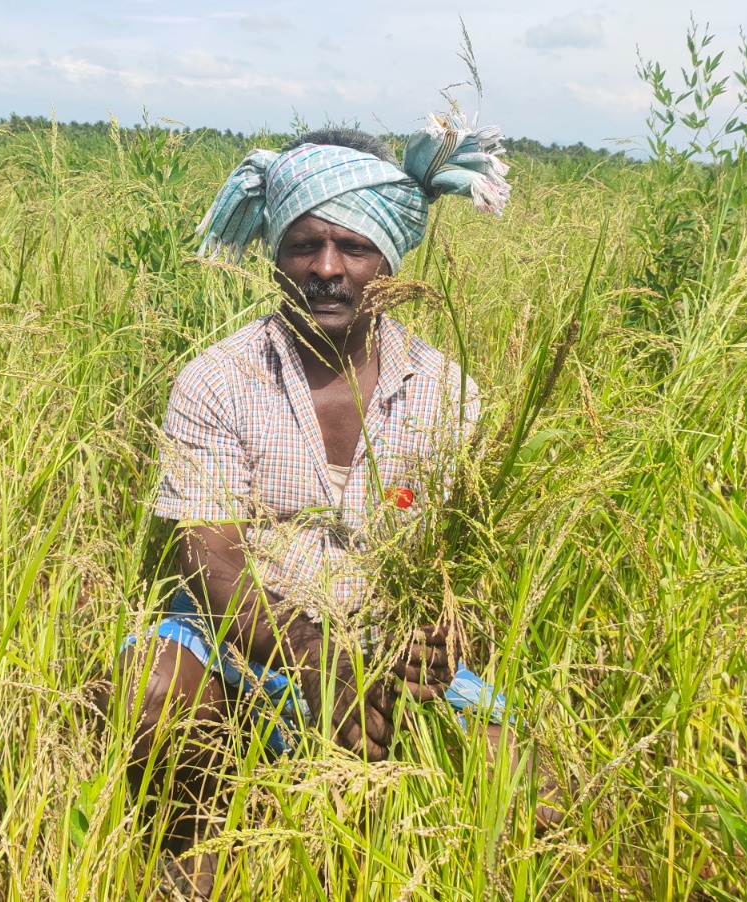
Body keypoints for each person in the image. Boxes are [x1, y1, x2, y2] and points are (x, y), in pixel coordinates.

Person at [117, 117, 522, 897]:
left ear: (391, 261)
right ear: (275, 256)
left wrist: (432, 648)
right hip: (242, 648)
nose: (327, 269)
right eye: (304, 245)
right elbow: (212, 561)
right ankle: (200, 843)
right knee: (153, 691)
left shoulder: (449, 393)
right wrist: (316, 663)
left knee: (514, 775)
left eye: (354, 248)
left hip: (386, 656)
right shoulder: (218, 379)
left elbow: (462, 565)